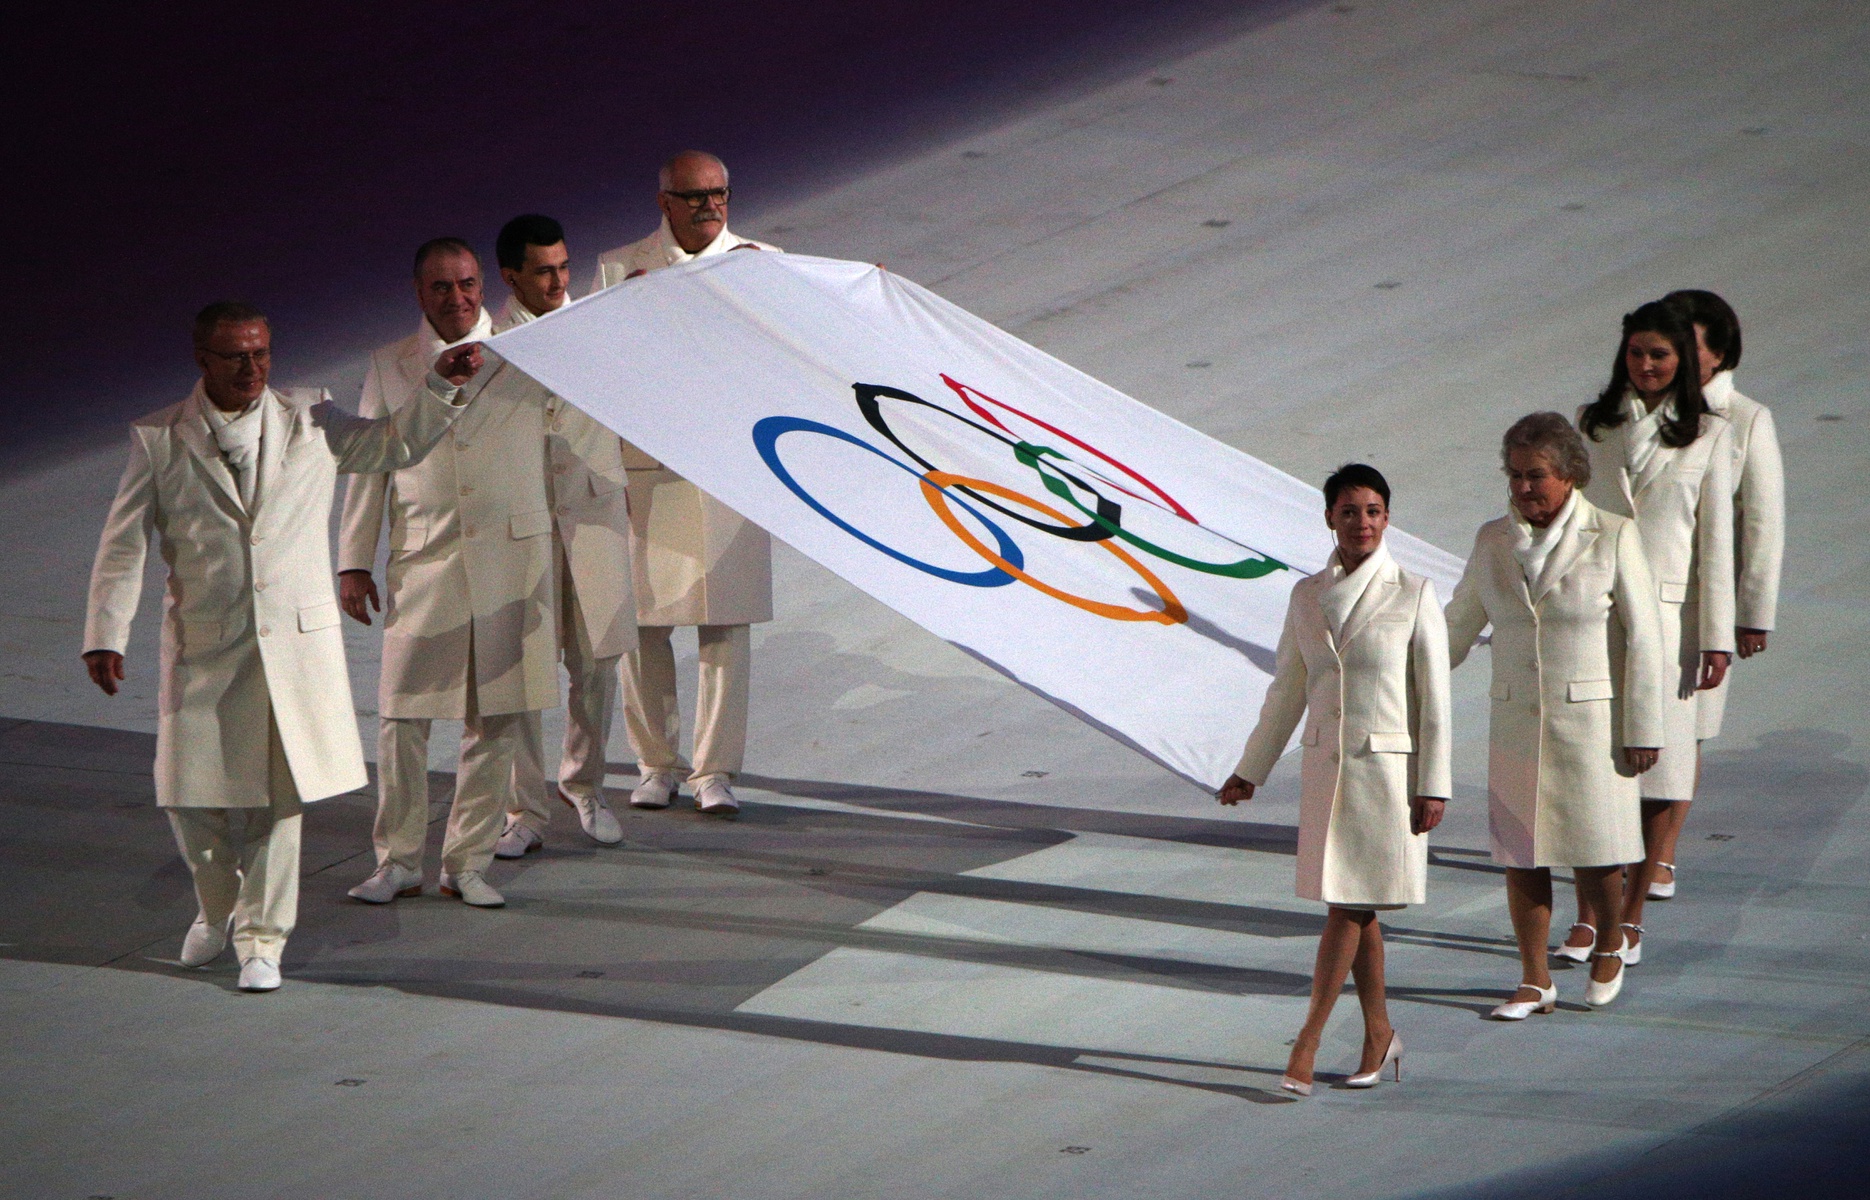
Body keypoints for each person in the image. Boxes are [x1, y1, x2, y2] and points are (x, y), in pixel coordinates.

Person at [83, 302, 477, 991]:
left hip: (292, 647)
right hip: (205, 644)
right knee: (186, 798)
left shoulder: (311, 417)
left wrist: (440, 386)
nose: (252, 368)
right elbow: (123, 549)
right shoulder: (159, 439)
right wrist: (104, 636)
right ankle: (218, 906)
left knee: (278, 799)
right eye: (236, 356)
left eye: (262, 354)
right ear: (203, 359)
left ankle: (263, 941)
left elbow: (391, 444)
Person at [338, 238, 560, 909]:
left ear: (483, 284)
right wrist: (352, 560)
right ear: (419, 292)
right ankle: (397, 860)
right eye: (442, 287)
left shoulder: (531, 350)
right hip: (424, 562)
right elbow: (372, 460)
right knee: (402, 719)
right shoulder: (390, 364)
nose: (458, 298)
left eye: (467, 284)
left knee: (494, 722)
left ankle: (465, 864)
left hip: (511, 562)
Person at [1218, 464, 1451, 1096]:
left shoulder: (1414, 593)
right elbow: (1289, 690)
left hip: (1387, 779)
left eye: (1374, 510)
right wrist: (1251, 769)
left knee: (1347, 907)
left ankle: (1308, 1040)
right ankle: (1379, 1031)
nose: (1363, 523)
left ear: (1387, 517)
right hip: (1327, 773)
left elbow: (1435, 699)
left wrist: (1436, 784)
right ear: (1329, 518)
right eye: (1350, 511)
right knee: (1357, 906)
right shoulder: (1305, 595)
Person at [1446, 413, 1667, 1016]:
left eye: (1535, 475)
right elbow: (1457, 626)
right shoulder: (1493, 540)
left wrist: (1644, 728)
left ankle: (1608, 947)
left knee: (1596, 852)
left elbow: (1645, 639)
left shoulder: (1614, 533)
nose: (1523, 488)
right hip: (1518, 722)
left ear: (1569, 474)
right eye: (1514, 476)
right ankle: (1535, 977)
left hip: (1593, 726)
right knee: (1522, 854)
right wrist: (1391, 672)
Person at [591, 151, 777, 815]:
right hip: (649, 470)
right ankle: (655, 765)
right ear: (665, 201)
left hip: (731, 470)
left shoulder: (760, 262)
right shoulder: (619, 266)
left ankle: (714, 772)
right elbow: (598, 365)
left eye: (718, 194)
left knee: (725, 627)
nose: (709, 206)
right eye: (694, 196)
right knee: (646, 625)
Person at [1565, 301, 1735, 963]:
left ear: (1681, 362)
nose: (1646, 366)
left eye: (1659, 356)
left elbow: (1715, 541)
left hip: (1670, 621)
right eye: (1636, 354)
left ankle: (1628, 920)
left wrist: (1717, 633)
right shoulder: (1593, 424)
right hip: (1600, 612)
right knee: (1594, 771)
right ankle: (1587, 917)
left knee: (1659, 772)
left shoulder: (1709, 433)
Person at [487, 215, 640, 858]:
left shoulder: (598, 327)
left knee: (597, 664)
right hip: (522, 530)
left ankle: (585, 785)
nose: (557, 280)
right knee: (524, 677)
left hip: (595, 517)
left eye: (563, 267)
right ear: (511, 275)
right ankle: (525, 808)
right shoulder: (489, 345)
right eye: (543, 270)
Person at [1656, 288, 1784, 900]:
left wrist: (1751, 614)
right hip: (1639, 600)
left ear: (1719, 353)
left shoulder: (1746, 419)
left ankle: (1661, 854)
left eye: (1690, 344)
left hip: (1706, 604)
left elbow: (1761, 521)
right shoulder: (1636, 413)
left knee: (1689, 730)